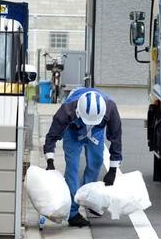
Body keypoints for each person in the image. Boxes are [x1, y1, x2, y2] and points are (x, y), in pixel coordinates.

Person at [43, 87, 122, 227]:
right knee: (72, 167)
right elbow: (52, 136)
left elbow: (116, 139)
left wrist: (113, 169)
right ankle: (73, 214)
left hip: (96, 132)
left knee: (96, 162)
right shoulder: (67, 109)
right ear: (79, 111)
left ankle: (88, 199)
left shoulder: (110, 107)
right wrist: (50, 161)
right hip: (73, 131)